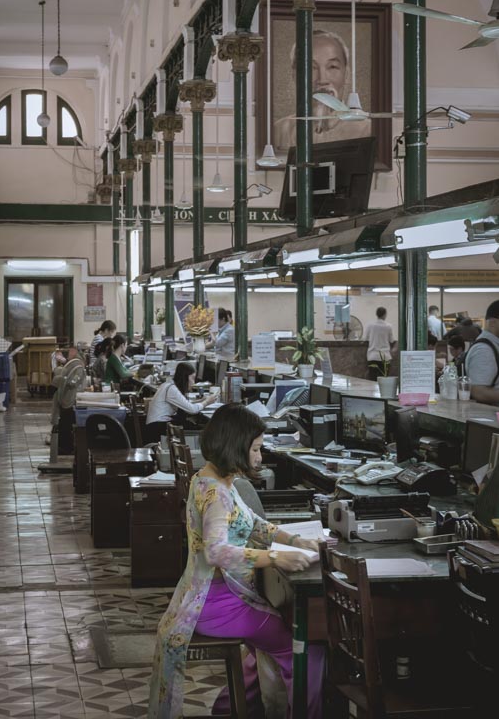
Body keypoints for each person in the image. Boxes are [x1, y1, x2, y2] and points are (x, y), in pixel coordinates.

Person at [148, 404, 324, 718]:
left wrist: (297, 541)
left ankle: (229, 710)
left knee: (264, 644)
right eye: (255, 449)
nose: (260, 456)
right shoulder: (218, 494)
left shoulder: (212, 477)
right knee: (302, 651)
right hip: (219, 603)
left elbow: (254, 524)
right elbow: (216, 552)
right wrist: (275, 558)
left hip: (206, 598)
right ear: (237, 446)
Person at [273, 29, 372, 150]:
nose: (322, 80)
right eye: (311, 67)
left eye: (332, 67)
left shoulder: (367, 131)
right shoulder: (279, 131)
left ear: (346, 75)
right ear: (294, 75)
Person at [145, 362, 217, 443]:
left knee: (193, 425)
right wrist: (207, 402)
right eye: (192, 378)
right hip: (157, 429)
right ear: (185, 377)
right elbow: (192, 410)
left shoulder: (168, 385)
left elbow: (185, 404)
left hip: (157, 425)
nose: (193, 383)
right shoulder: (172, 389)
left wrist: (201, 401)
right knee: (202, 429)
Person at [465, 300, 499, 405]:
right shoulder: (484, 350)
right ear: (493, 323)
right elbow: (478, 392)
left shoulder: (493, 345)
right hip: (491, 418)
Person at [363, 306, 395, 381]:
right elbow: (392, 340)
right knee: (383, 380)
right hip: (385, 356)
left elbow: (365, 339)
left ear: (376, 314)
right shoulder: (388, 326)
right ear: (384, 315)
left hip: (372, 356)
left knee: (372, 379)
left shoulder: (370, 325)